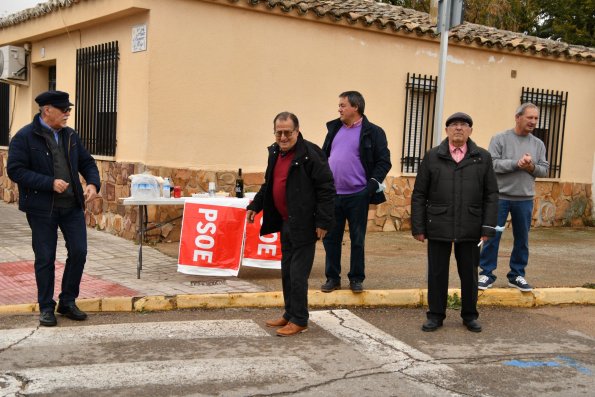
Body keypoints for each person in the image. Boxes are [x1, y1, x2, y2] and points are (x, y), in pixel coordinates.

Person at [7, 90, 100, 327]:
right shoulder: (24, 137)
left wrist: (92, 183)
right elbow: (15, 171)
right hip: (41, 209)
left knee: (79, 252)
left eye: (69, 109)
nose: (68, 113)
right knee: (45, 258)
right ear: (47, 110)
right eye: (64, 110)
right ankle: (46, 307)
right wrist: (48, 183)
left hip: (71, 206)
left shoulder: (70, 136)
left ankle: (67, 301)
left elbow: (87, 162)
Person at [247, 112, 335, 337]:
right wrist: (256, 205)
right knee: (286, 271)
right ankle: (289, 313)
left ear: (297, 131)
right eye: (279, 132)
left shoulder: (311, 154)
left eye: (288, 132)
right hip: (285, 222)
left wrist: (323, 221)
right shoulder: (275, 152)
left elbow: (326, 188)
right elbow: (269, 184)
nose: (283, 137)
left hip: (305, 224)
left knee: (298, 274)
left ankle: (300, 320)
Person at [411, 112, 499, 332]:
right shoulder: (432, 156)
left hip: (471, 224)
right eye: (454, 125)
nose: (459, 128)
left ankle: (469, 315)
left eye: (464, 125)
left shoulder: (482, 157)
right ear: (447, 130)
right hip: (439, 223)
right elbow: (419, 194)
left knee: (469, 273)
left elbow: (491, 194)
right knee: (437, 273)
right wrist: (419, 227)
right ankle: (435, 315)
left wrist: (488, 226)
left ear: (470, 130)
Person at [320, 91, 391, 293]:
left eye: (343, 105)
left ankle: (356, 278)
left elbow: (384, 161)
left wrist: (369, 188)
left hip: (358, 195)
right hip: (334, 194)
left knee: (357, 239)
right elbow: (325, 157)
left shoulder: (374, 132)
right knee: (331, 239)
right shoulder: (334, 129)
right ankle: (332, 278)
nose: (339, 109)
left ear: (355, 107)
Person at [478, 103, 549, 292]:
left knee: (522, 240)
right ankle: (486, 273)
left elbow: (544, 170)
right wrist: (516, 164)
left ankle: (517, 275)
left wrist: (531, 167)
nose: (533, 121)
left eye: (536, 118)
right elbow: (492, 164)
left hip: (524, 199)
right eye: (529, 117)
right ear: (518, 117)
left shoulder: (538, 144)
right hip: (499, 198)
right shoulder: (500, 139)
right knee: (491, 237)